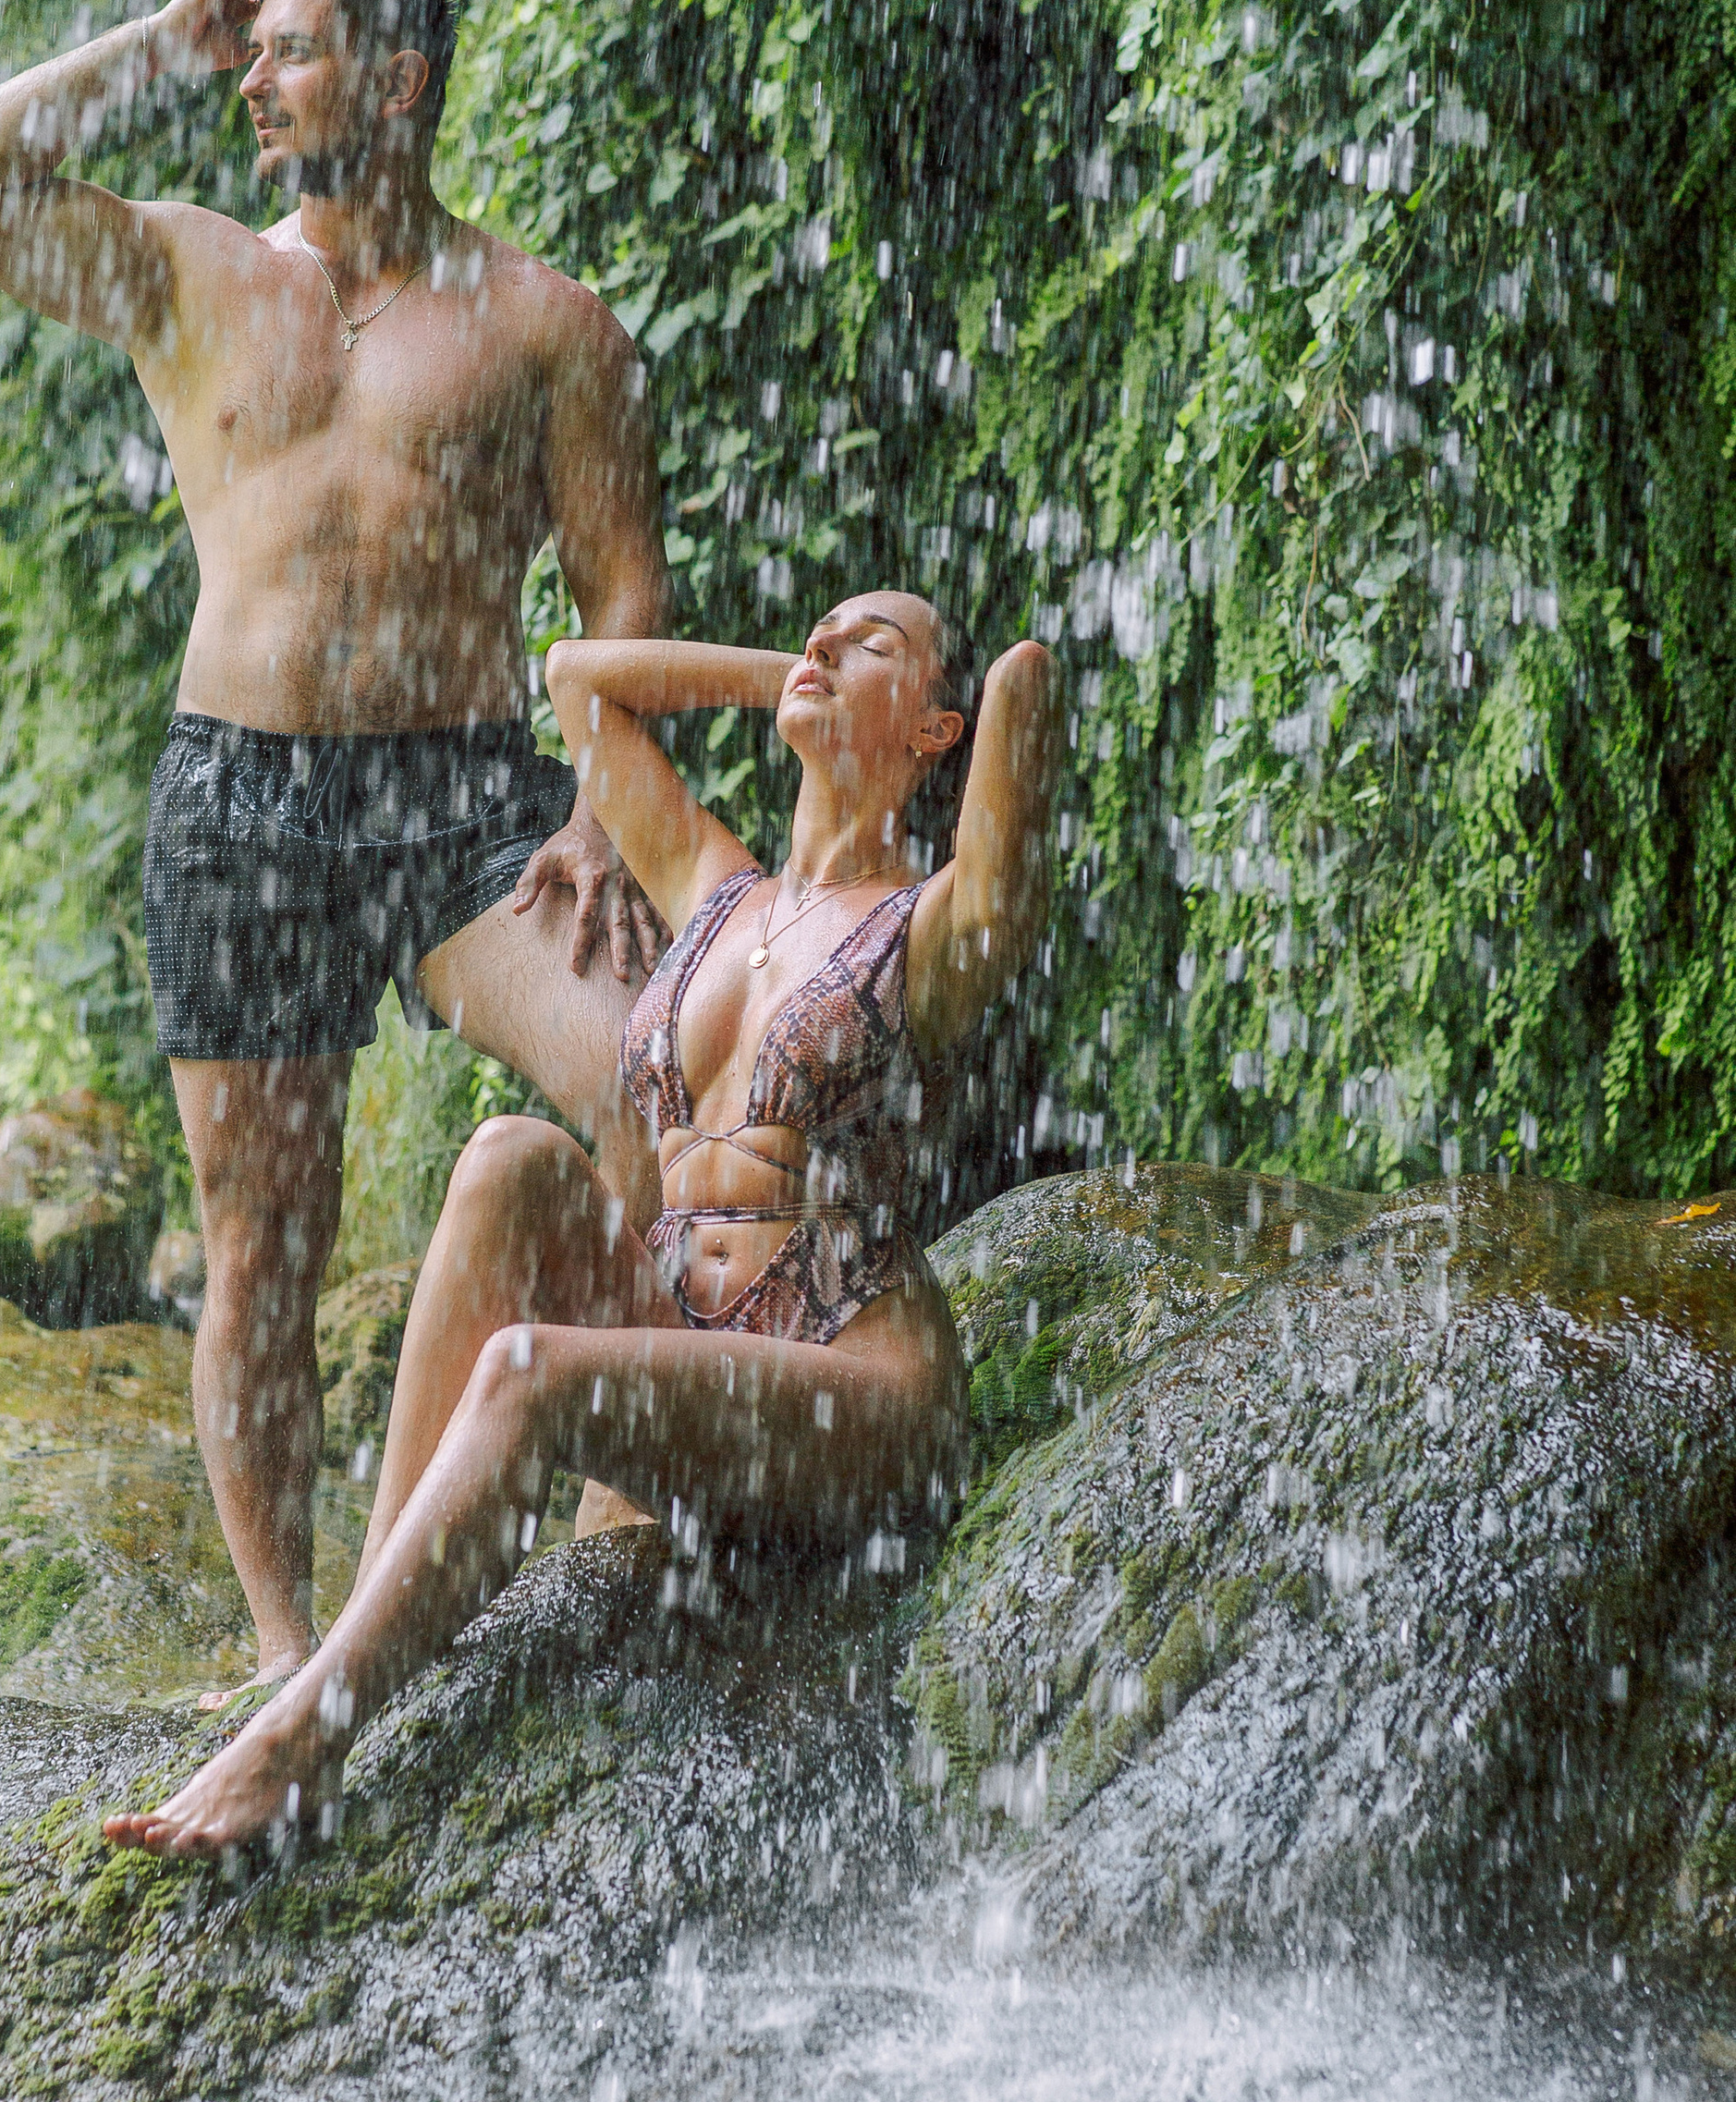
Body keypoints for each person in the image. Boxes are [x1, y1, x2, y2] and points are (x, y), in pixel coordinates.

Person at [0, 0, 672, 1703]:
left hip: (474, 797)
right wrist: (151, 49)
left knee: (647, 1070)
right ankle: (279, 1641)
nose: (254, 90)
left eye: (291, 58)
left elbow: (625, 597)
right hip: (240, 796)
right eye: (245, 66)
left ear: (396, 83)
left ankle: (618, 1520)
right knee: (263, 1234)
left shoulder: (550, 329)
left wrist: (613, 818)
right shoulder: (191, 273)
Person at [104, 593, 1059, 1855]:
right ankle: (350, 1659)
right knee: (508, 1158)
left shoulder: (925, 928)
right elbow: (578, 679)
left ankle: (303, 1740)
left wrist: (993, 688)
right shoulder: (717, 890)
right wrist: (806, 670)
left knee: (528, 1372)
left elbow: (1022, 737)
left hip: (850, 1388)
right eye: (818, 635)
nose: (826, 646)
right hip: (698, 1342)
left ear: (936, 728)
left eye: (870, 645)